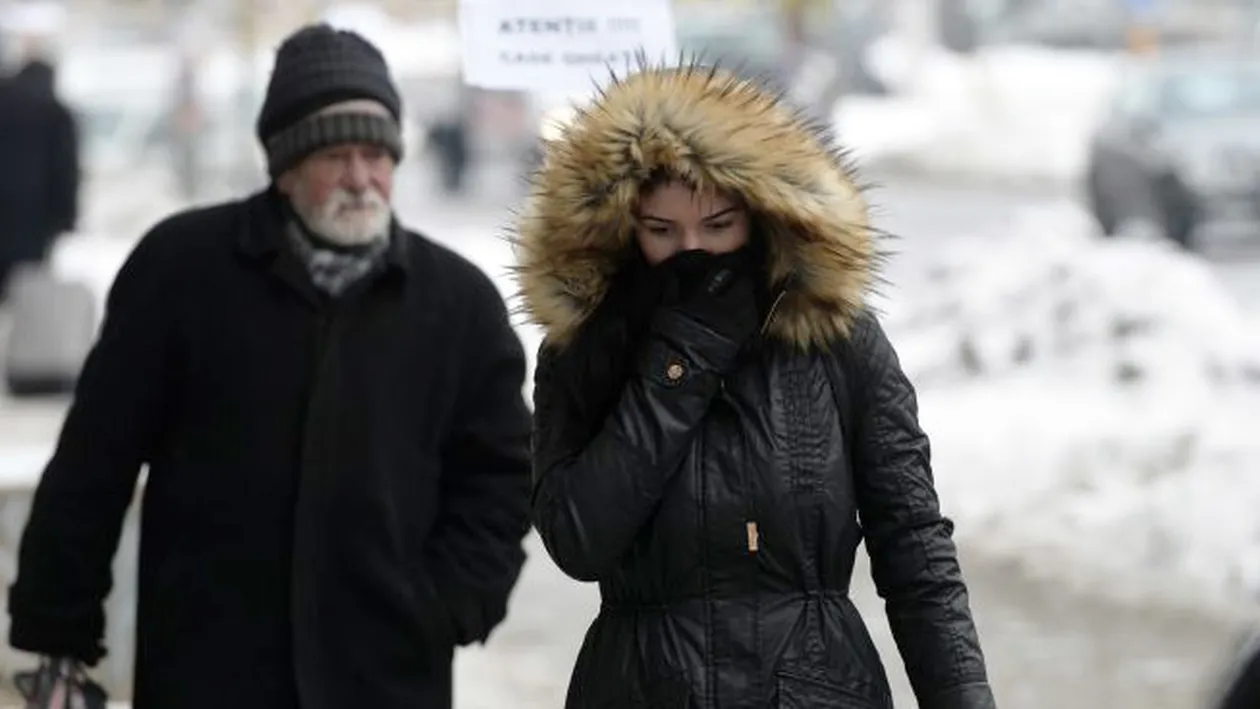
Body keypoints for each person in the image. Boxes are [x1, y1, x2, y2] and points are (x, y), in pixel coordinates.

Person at [7, 24, 532, 709]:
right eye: (335, 153)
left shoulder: (458, 302)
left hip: (384, 670)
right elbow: (94, 463)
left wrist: (450, 602)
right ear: (285, 165)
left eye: (376, 154)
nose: (360, 178)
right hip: (209, 663)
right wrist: (59, 631)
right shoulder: (182, 270)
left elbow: (501, 475)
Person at [515, 63, 997, 708]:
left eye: (717, 226)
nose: (693, 250)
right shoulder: (587, 351)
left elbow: (913, 541)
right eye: (662, 230)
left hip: (816, 689)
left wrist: (963, 697)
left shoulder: (833, 338)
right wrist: (676, 366)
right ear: (625, 229)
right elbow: (579, 540)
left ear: (761, 215)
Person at [0, 52, 79, 296]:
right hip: (34, 222)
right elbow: (65, 170)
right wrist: (66, 218)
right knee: (25, 293)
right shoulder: (55, 112)